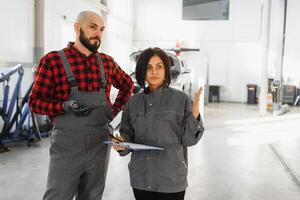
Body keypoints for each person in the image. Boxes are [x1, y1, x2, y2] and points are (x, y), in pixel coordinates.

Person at [29, 10, 134, 200]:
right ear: (77, 28)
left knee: (92, 197)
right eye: (93, 27)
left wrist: (113, 110)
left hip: (99, 145)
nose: (98, 34)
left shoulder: (107, 63)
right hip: (67, 146)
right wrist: (63, 107)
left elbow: (128, 85)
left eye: (102, 29)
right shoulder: (53, 61)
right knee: (58, 196)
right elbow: (35, 102)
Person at [112, 47, 204, 200]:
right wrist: (121, 144)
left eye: (159, 66)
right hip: (141, 180)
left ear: (166, 70)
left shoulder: (181, 100)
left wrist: (195, 115)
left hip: (171, 181)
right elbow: (127, 137)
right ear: (142, 72)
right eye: (149, 67)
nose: (154, 72)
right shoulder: (133, 103)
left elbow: (190, 140)